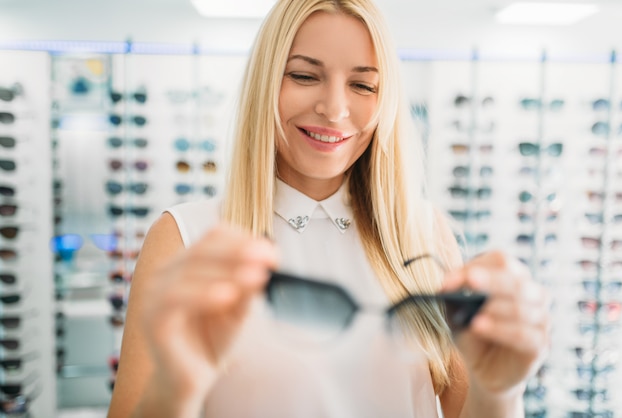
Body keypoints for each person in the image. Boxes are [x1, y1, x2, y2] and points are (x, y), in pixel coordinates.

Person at [107, 0, 551, 417]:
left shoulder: (424, 232)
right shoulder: (184, 236)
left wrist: (502, 391)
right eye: (304, 76)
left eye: (362, 85)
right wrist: (174, 389)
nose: (335, 109)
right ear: (267, 81)